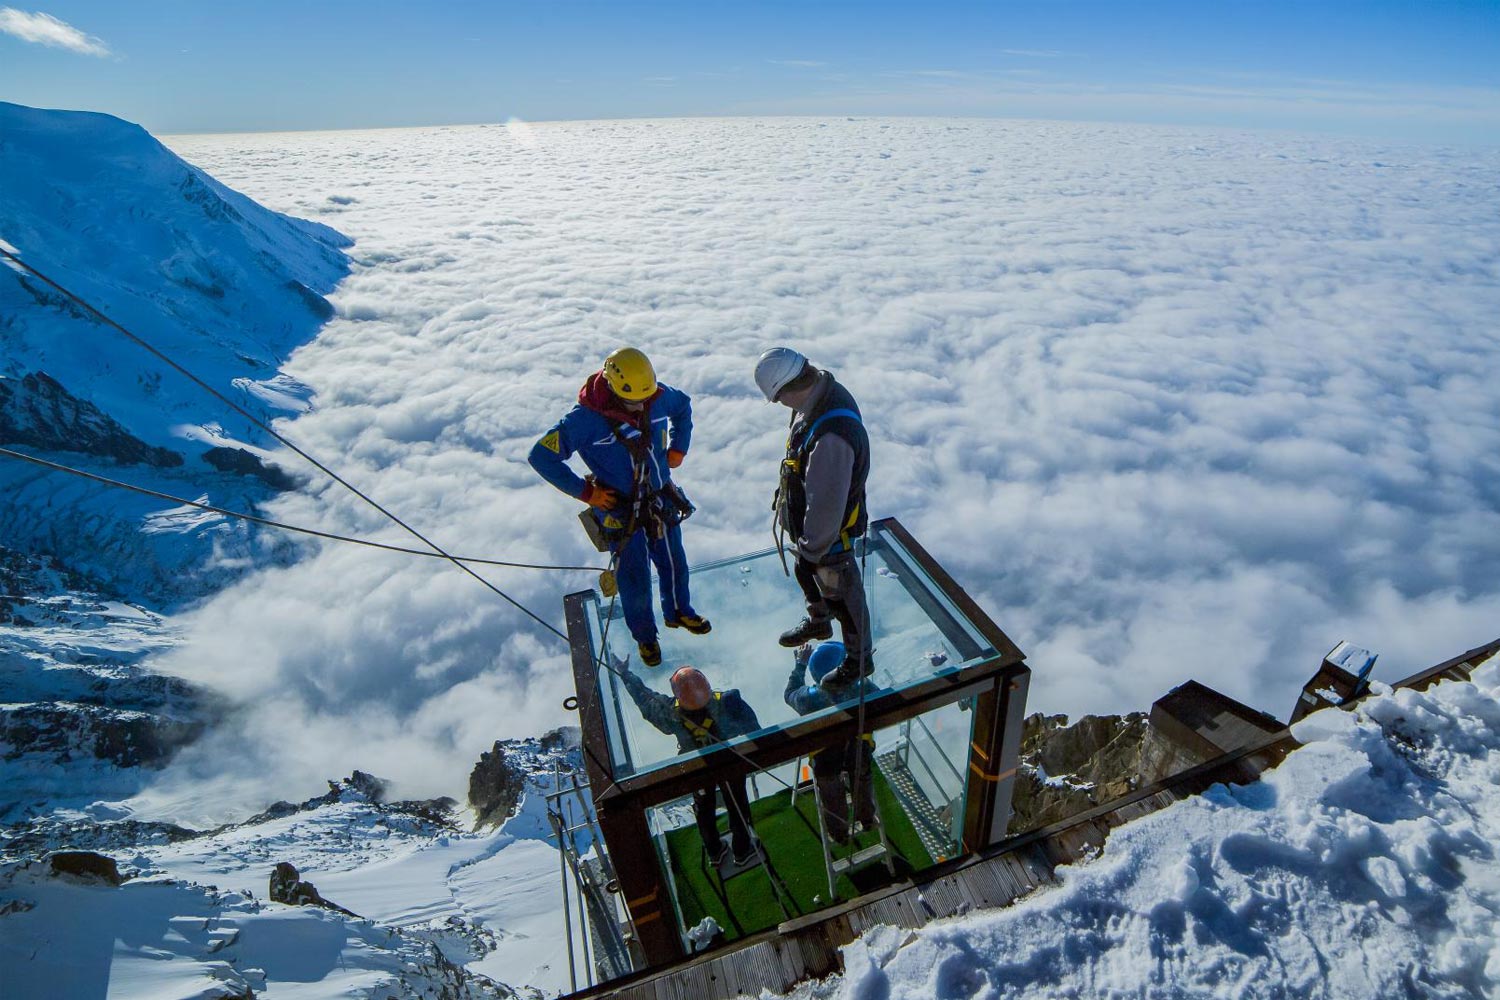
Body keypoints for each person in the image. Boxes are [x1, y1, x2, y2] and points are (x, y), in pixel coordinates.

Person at [530, 347, 710, 667]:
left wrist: (679, 448)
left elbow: (682, 406)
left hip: (659, 498)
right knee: (633, 576)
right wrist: (587, 493)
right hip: (619, 508)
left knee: (674, 562)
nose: (641, 405)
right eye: (633, 401)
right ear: (613, 389)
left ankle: (679, 612)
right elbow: (541, 456)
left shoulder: (657, 397)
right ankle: (645, 638)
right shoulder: (585, 420)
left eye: (645, 397)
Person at [754, 347, 872, 682]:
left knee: (843, 595)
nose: (780, 404)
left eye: (778, 398)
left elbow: (827, 503)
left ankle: (859, 660)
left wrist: (812, 548)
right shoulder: (821, 396)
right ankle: (819, 621)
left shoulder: (831, 434)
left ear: (786, 389)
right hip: (817, 531)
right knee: (808, 573)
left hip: (830, 537)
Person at [621, 663, 763, 866]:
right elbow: (755, 731)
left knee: (704, 808)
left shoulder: (670, 713)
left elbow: (644, 697)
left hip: (696, 769)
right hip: (730, 764)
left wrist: (625, 674)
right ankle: (742, 850)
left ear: (678, 695)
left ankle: (715, 851)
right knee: (737, 802)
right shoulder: (730, 702)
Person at [784, 640, 877, 844]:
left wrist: (800, 665)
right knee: (861, 776)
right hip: (858, 751)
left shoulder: (807, 699)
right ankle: (867, 818)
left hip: (825, 760)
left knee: (831, 793)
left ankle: (839, 832)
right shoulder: (862, 687)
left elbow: (789, 694)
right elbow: (879, 698)